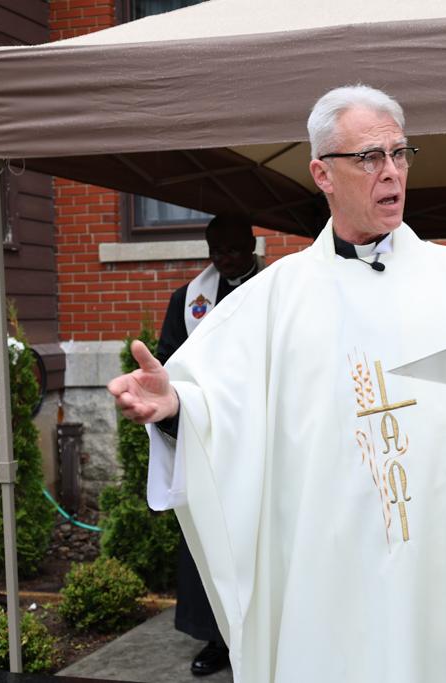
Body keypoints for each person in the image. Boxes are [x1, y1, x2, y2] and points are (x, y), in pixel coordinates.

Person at [109, 84, 446, 683]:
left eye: (401, 154)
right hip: (322, 569)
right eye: (371, 157)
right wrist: (173, 406)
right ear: (322, 173)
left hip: (434, 564)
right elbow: (219, 412)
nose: (391, 173)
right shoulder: (276, 296)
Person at [155, 214, 259, 676]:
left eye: (233, 249)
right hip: (211, 437)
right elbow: (169, 365)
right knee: (209, 536)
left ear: (252, 243)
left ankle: (261, 634)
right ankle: (217, 638)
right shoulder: (188, 301)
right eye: (216, 251)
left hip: (262, 437)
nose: (224, 259)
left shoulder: (277, 290)